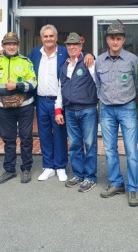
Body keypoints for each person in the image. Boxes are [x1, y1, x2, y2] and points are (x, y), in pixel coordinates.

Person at [27, 24, 93, 182]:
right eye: (45, 36)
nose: (48, 39)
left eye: (51, 36)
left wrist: (89, 53)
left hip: (58, 101)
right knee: (44, 135)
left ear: (56, 38)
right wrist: (0, 52)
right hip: (41, 99)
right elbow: (21, 61)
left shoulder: (64, 52)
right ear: (42, 38)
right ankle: (48, 166)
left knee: (60, 134)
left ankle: (61, 166)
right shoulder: (35, 53)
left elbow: (78, 54)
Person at [95, 22, 138, 207]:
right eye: (112, 38)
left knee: (131, 150)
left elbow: (137, 85)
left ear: (123, 40)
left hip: (127, 109)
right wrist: (104, 99)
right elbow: (97, 84)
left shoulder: (132, 59)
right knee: (110, 150)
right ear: (107, 39)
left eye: (119, 38)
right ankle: (116, 183)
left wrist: (129, 101)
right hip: (106, 110)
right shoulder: (99, 60)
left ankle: (132, 188)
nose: (115, 41)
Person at [0, 32, 37, 184]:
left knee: (25, 138)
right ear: (3, 46)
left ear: (18, 46)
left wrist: (17, 85)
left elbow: (33, 84)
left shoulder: (26, 62)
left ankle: (26, 169)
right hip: (4, 108)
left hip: (24, 107)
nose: (11, 46)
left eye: (14, 44)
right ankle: (9, 170)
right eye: (8, 44)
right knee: (8, 140)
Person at [55, 32, 98, 193]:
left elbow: (98, 83)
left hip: (88, 110)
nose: (72, 47)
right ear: (66, 47)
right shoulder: (64, 66)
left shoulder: (89, 62)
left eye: (75, 45)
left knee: (89, 143)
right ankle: (79, 174)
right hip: (70, 111)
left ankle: (90, 177)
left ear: (81, 47)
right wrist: (58, 110)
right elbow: (60, 89)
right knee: (74, 145)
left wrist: (90, 55)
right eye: (69, 45)